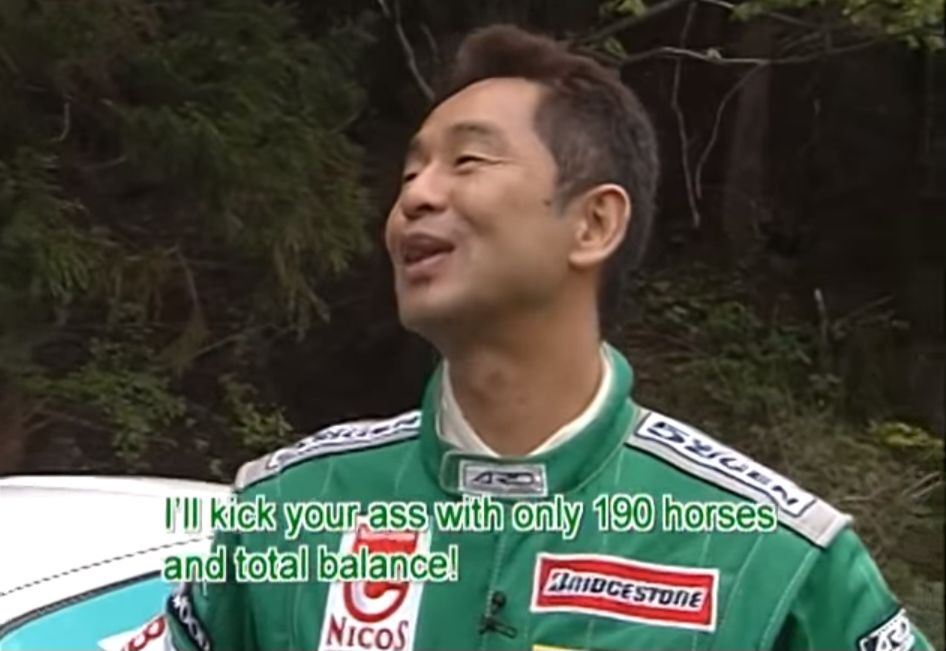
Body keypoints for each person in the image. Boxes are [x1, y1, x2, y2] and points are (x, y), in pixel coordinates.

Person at [130, 24, 932, 651]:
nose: (415, 198)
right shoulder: (287, 511)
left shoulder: (772, 558)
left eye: (468, 161)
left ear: (594, 223)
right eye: (409, 173)